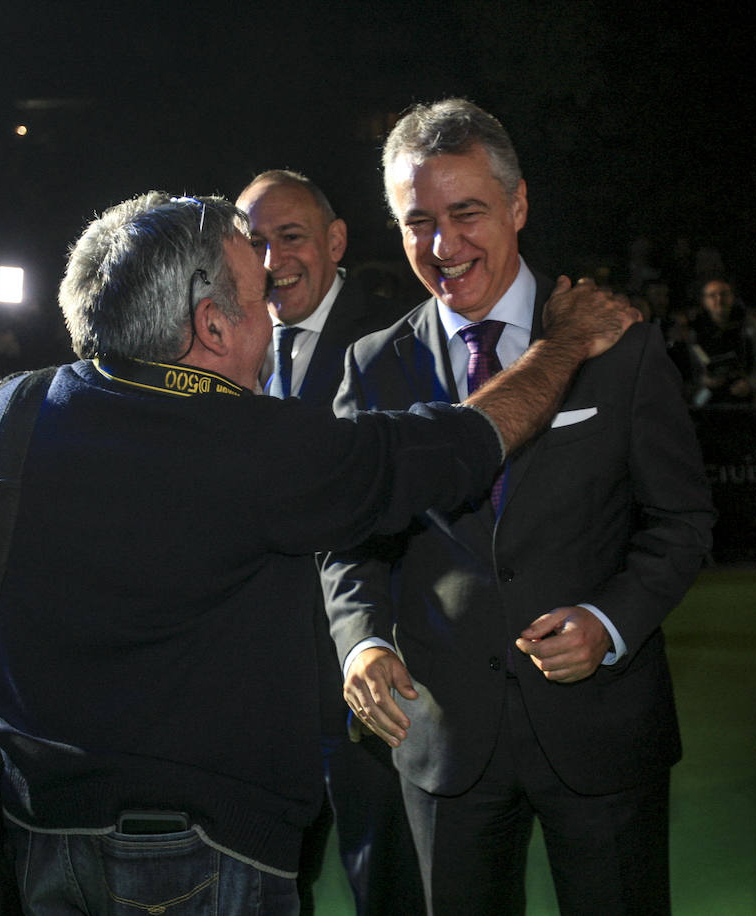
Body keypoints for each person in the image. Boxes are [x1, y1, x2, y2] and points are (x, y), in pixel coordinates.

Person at [0, 191, 639, 915]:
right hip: (193, 854)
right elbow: (458, 447)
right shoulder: (250, 442)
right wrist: (566, 344)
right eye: (258, 298)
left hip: (26, 833)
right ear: (210, 324)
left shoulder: (0, 415)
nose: (272, 319)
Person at [321, 99, 715, 915]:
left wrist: (609, 623)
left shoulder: (622, 344)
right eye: (417, 221)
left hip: (603, 730)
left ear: (519, 205)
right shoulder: (371, 366)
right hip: (442, 738)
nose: (443, 245)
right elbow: (346, 542)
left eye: (467, 213)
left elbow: (682, 521)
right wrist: (359, 642)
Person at [235, 170, 421, 914]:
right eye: (254, 242)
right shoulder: (219, 344)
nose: (273, 259)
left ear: (336, 242)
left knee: (390, 879)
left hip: (366, 673)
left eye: (292, 236)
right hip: (255, 685)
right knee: (266, 881)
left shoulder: (397, 341)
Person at [686, 277, 756, 404]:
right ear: (704, 301)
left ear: (732, 297)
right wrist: (702, 380)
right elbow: (687, 366)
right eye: (712, 295)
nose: (719, 299)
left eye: (723, 294)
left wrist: (750, 383)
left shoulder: (747, 324)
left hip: (744, 398)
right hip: (707, 400)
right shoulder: (695, 329)